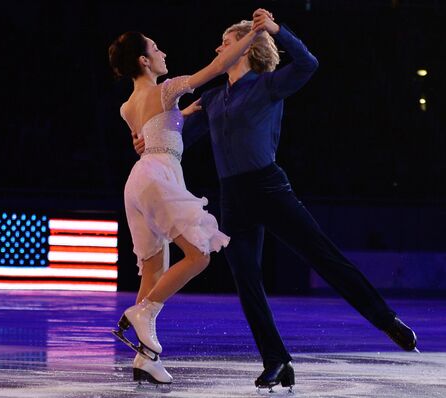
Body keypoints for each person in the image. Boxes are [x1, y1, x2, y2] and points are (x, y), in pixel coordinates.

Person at [133, 8, 418, 392]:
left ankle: (386, 320)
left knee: (323, 256)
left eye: (227, 42)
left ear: (247, 50)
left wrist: (275, 29)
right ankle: (277, 361)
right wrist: (149, 139)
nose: (219, 47)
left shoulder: (269, 85)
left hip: (269, 188)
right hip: (233, 197)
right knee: (247, 280)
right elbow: (178, 135)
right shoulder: (214, 98)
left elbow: (309, 63)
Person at [108, 12, 268, 385]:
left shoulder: (127, 106)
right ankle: (143, 312)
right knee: (199, 253)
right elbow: (216, 66)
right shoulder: (167, 88)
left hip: (138, 182)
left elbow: (154, 129)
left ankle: (145, 359)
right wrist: (255, 34)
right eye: (155, 48)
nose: (163, 52)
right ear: (144, 60)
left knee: (153, 267)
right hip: (160, 176)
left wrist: (187, 112)